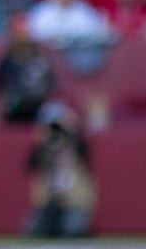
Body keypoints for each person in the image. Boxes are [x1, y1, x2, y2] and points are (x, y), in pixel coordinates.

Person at [24, 101, 95, 238]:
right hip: (48, 201)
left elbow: (84, 152)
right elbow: (30, 165)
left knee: (72, 230)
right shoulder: (44, 146)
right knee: (33, 231)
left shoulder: (75, 142)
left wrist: (70, 129)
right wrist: (41, 141)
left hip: (73, 200)